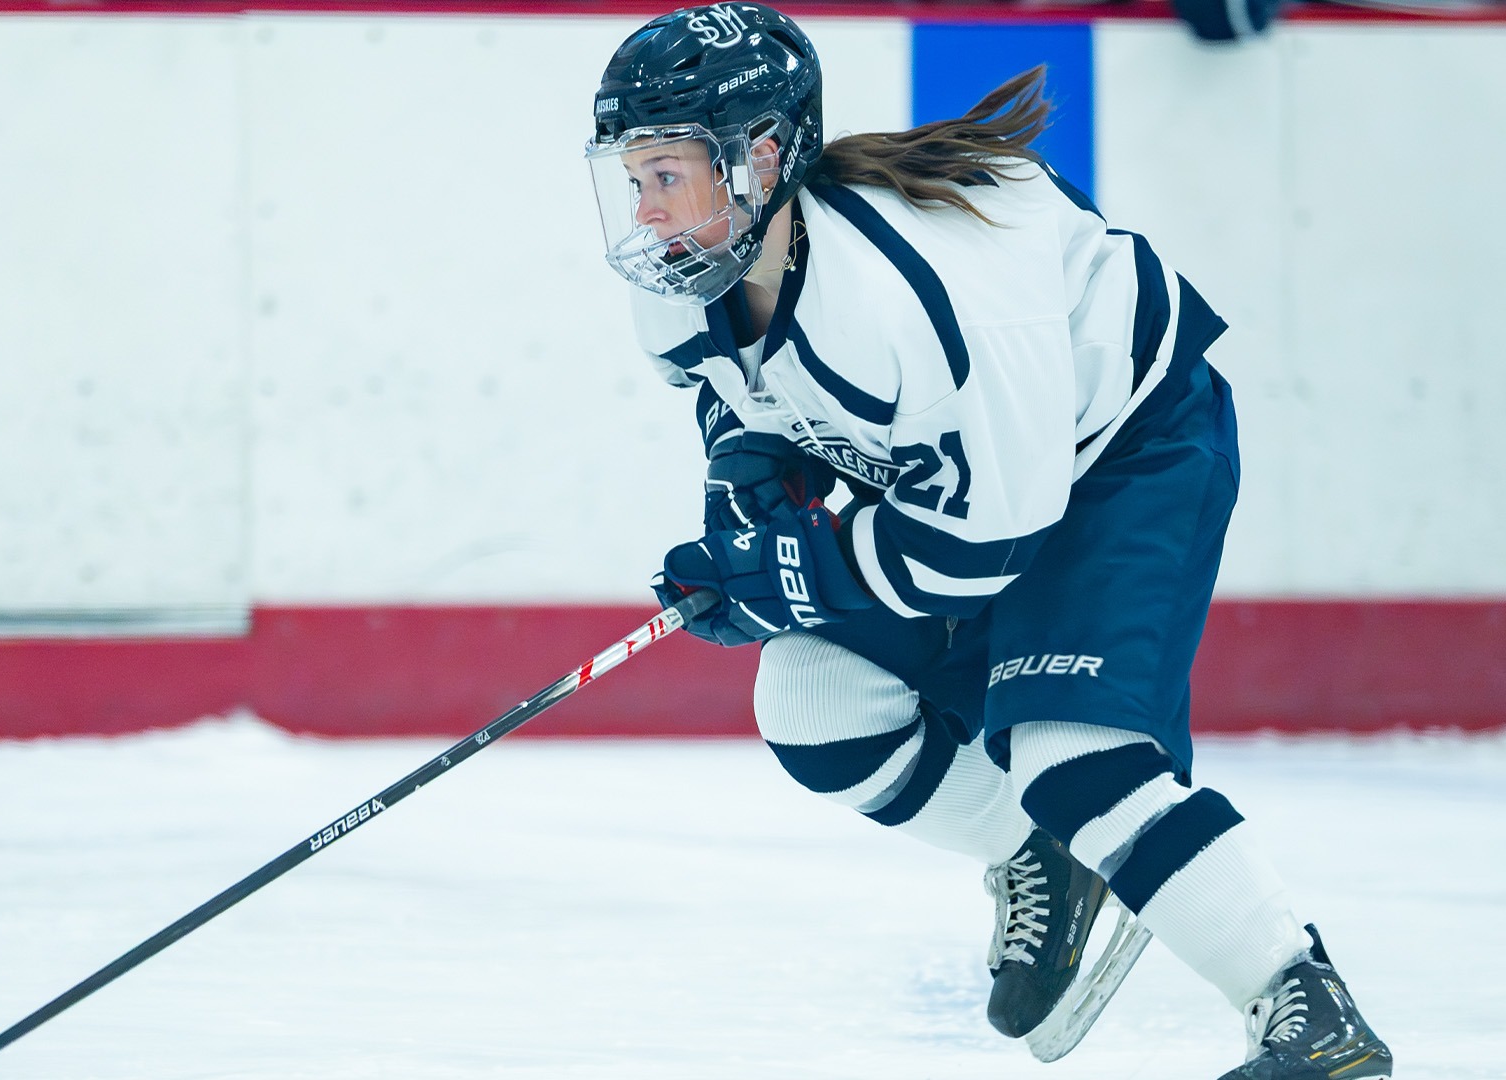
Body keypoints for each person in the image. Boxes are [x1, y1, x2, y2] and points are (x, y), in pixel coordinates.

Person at [585, 5, 1394, 1077]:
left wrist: (793, 572)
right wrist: (747, 523)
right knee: (814, 705)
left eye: (668, 175)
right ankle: (1044, 860)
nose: (646, 212)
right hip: (991, 489)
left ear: (763, 157)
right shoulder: (683, 290)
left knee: (1072, 757)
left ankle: (1306, 1007)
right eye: (633, 178)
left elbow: (981, 551)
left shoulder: (903, 297)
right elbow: (748, 424)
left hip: (1124, 455)